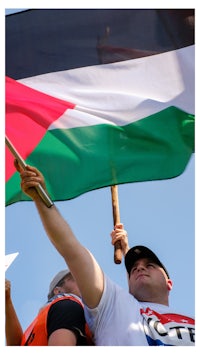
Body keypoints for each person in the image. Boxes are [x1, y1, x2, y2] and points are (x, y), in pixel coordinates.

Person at [14, 161, 195, 346]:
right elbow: (71, 249)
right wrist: (41, 199)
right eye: (134, 268)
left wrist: (126, 250)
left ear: (169, 283)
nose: (140, 268)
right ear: (129, 286)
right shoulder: (113, 307)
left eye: (150, 265)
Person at [5, 269, 93, 346]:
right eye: (74, 279)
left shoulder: (44, 320)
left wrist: (7, 300)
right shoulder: (67, 306)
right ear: (58, 291)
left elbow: (17, 346)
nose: (81, 282)